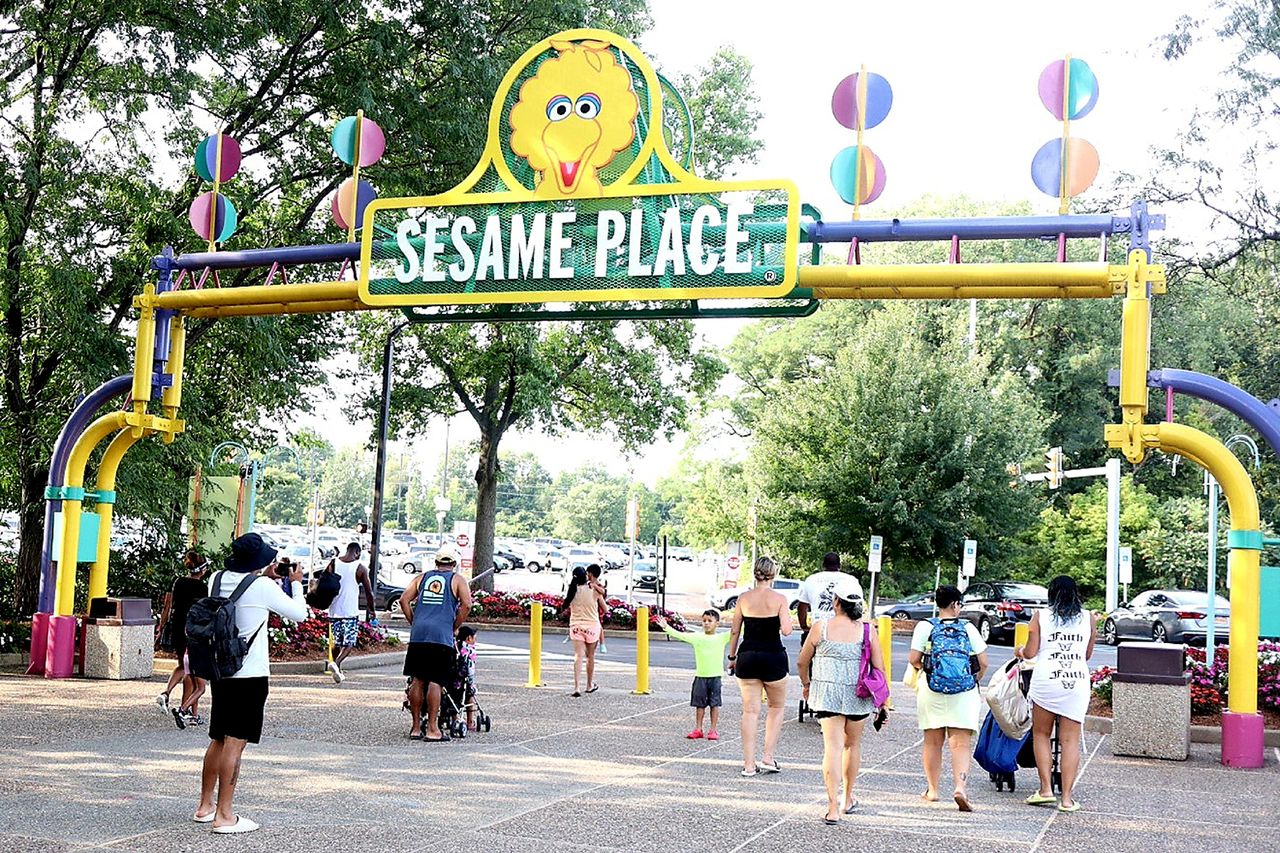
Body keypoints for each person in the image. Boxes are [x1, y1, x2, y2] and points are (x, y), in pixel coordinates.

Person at [193, 533, 307, 834]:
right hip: (250, 674)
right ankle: (225, 815)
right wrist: (295, 581)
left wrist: (263, 575)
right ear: (258, 562)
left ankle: (205, 806)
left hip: (221, 671)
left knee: (218, 738)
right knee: (235, 742)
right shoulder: (262, 586)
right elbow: (300, 614)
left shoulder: (215, 579)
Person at [798, 579, 885, 824]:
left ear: (836, 603)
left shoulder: (820, 628)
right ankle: (848, 797)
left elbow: (802, 662)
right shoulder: (867, 631)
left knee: (832, 748)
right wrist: (884, 701)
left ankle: (832, 807)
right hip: (858, 696)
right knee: (852, 745)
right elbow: (879, 668)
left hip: (827, 695)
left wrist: (807, 684)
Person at [1016, 575, 1095, 813]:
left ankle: (1046, 790)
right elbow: (1087, 655)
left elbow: (1030, 653)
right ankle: (1068, 799)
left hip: (1047, 681)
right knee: (1070, 740)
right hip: (1076, 682)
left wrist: (1019, 650)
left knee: (1041, 734)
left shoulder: (1040, 616)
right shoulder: (1089, 618)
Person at [907, 584, 988, 812]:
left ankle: (932, 791)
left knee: (933, 741)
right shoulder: (969, 628)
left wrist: (927, 668)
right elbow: (984, 663)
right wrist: (972, 679)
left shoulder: (925, 626)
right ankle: (960, 787)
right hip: (964, 692)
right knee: (960, 743)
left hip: (932, 689)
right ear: (955, 604)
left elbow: (914, 658)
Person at [728, 556, 793, 777]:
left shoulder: (743, 598)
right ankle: (767, 757)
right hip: (773, 656)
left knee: (750, 711)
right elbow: (786, 631)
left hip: (747, 656)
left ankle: (748, 765)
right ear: (773, 574)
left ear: (755, 573)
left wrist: (732, 655)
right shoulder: (780, 599)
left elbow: (735, 630)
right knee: (776, 708)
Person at [400, 545, 472, 741]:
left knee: (417, 679)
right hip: (441, 635)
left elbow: (403, 600)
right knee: (436, 680)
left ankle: (415, 727)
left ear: (436, 562)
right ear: (454, 564)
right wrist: (455, 624)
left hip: (419, 635)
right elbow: (467, 604)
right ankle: (433, 729)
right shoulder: (457, 580)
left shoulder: (421, 578)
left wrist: (414, 622)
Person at [656, 609, 732, 741]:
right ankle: (698, 729)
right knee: (699, 704)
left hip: (715, 677)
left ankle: (713, 730)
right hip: (700, 676)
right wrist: (666, 627)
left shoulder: (721, 638)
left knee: (715, 704)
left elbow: (737, 630)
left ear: (717, 624)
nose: (706, 623)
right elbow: (680, 635)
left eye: (710, 621)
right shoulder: (697, 637)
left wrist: (748, 616)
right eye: (704, 621)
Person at [156, 550, 210, 729]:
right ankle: (187, 710)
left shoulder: (178, 582)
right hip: (193, 630)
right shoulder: (202, 588)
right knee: (191, 669)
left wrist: (161, 627)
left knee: (184, 664)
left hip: (177, 628)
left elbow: (168, 605)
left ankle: (171, 696)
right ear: (202, 570)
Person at [325, 541, 376, 684]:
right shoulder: (360, 568)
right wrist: (371, 610)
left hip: (334, 609)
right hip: (350, 611)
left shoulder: (334, 563)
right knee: (349, 642)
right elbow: (369, 592)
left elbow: (324, 580)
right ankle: (337, 663)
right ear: (358, 553)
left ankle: (334, 665)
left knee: (336, 641)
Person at [797, 552, 864, 637]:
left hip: (819, 629)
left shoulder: (811, 580)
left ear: (823, 565)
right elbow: (858, 605)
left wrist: (804, 627)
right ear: (840, 565)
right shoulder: (851, 580)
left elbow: (802, 607)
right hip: (845, 630)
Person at [563, 566, 603, 697]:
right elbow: (606, 607)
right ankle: (589, 685)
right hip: (592, 626)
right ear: (585, 576)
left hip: (575, 626)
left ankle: (576, 687)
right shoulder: (593, 590)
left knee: (578, 656)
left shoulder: (572, 591)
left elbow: (565, 604)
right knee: (590, 656)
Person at [455, 625, 479, 731]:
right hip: (465, 679)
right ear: (469, 638)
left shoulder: (454, 647)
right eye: (474, 638)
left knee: (453, 697)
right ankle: (469, 721)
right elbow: (471, 668)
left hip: (454, 680)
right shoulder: (470, 650)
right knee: (470, 695)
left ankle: (454, 718)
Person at [587, 563, 609, 655]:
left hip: (597, 608)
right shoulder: (587, 583)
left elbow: (602, 592)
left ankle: (602, 643)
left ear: (591, 574)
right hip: (590, 606)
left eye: (587, 573)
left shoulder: (598, 584)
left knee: (598, 626)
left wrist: (595, 587)